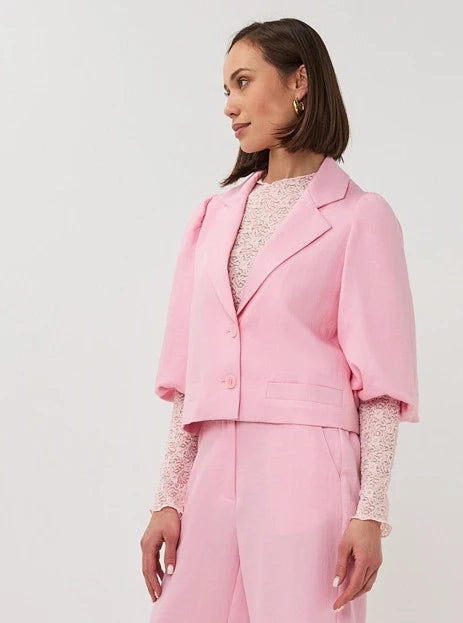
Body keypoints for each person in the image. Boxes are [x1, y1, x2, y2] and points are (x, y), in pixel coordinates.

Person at [140, 18, 419, 623]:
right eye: (226, 90)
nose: (229, 105)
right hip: (213, 465)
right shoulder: (212, 216)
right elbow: (189, 375)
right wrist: (168, 497)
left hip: (308, 467)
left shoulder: (361, 217)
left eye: (243, 82)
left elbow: (379, 387)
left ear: (299, 81)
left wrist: (370, 511)